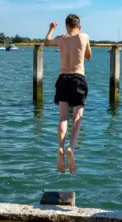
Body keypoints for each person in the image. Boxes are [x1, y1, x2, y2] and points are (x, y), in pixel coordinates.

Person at [43, 14, 91, 174]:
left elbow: (46, 42)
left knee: (63, 117)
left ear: (66, 26)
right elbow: (88, 56)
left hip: (62, 79)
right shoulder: (84, 36)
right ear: (80, 25)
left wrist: (50, 29)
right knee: (77, 116)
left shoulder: (60, 38)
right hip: (78, 78)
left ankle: (60, 148)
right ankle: (71, 147)